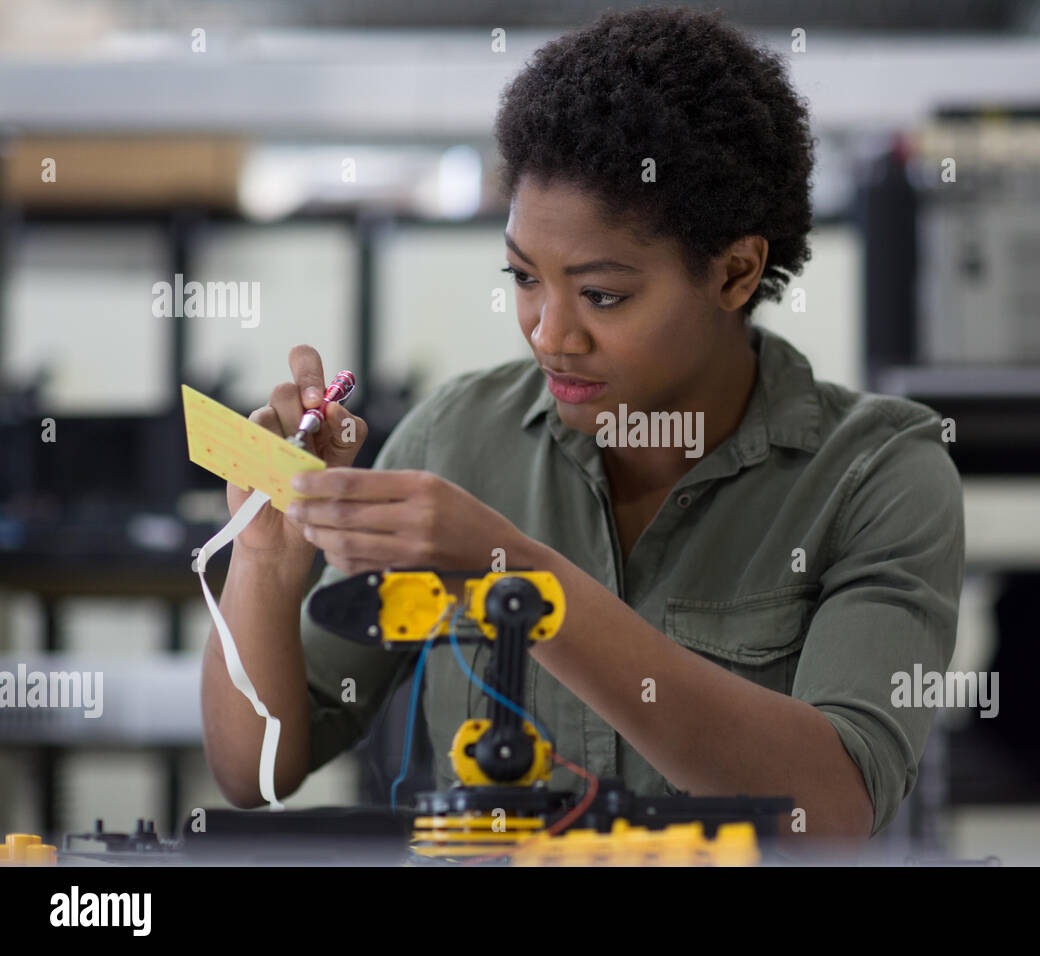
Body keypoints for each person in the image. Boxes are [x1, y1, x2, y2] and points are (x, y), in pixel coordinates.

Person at [200, 6, 964, 847]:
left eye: (603, 295)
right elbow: (256, 770)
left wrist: (517, 570)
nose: (549, 333)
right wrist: (265, 565)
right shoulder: (454, 438)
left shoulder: (877, 475)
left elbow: (829, 811)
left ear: (736, 272)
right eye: (524, 278)